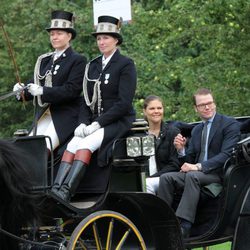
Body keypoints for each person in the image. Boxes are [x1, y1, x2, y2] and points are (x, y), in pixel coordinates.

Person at [51, 15, 137, 201]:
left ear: (116, 40)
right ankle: (56, 190)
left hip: (117, 120)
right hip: (93, 122)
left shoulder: (125, 64)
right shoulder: (93, 65)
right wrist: (82, 123)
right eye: (99, 38)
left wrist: (97, 124)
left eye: (106, 37)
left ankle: (66, 191)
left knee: (85, 144)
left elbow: (124, 103)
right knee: (73, 144)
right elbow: (85, 99)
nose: (101, 42)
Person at [157, 88, 240, 238]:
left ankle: (183, 226)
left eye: (210, 103)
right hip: (198, 174)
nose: (207, 107)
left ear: (214, 104)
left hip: (218, 174)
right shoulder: (196, 130)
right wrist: (181, 150)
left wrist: (198, 167)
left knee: (193, 176)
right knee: (166, 178)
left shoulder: (229, 125)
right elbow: (189, 161)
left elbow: (226, 155)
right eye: (202, 105)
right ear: (196, 108)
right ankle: (163, 222)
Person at [13, 10, 87, 153]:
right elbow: (33, 85)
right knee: (27, 149)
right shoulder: (45, 60)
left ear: (69, 36)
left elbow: (71, 90)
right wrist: (21, 91)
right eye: (52, 34)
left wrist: (42, 91)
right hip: (45, 113)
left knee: (42, 150)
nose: (54, 37)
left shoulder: (78, 60)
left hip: (66, 113)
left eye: (59, 33)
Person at [143, 95, 180, 194]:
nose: (156, 111)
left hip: (164, 177)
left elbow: (174, 164)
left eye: (159, 108)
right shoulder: (139, 134)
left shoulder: (172, 132)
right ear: (145, 111)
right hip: (143, 177)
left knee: (145, 184)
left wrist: (152, 177)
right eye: (152, 108)